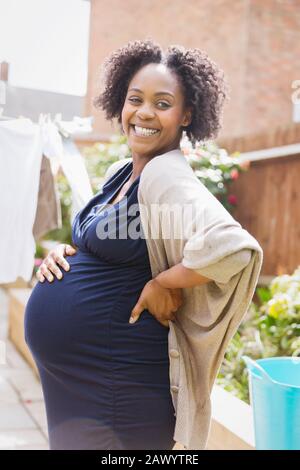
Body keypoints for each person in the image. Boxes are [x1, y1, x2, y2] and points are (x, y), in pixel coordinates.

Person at [24, 38, 229, 450]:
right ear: (121, 102)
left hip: (116, 393)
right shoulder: (123, 173)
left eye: (163, 103)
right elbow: (115, 248)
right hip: (81, 387)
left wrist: (166, 283)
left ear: (187, 114)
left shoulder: (166, 174)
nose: (145, 112)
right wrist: (65, 255)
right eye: (135, 99)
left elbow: (230, 244)